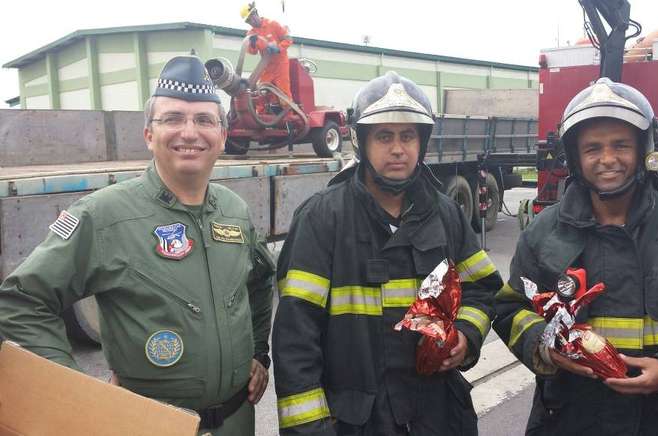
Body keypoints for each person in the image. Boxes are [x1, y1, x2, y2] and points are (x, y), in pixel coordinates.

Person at [0, 55, 276, 436]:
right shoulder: (105, 214)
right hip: (147, 427)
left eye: (204, 120)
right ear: (149, 134)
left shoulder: (234, 210)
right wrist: (80, 393)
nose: (190, 132)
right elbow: (21, 301)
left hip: (236, 422)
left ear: (223, 136)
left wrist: (258, 353)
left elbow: (261, 281)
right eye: (174, 118)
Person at [493, 77, 658, 435]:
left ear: (643, 149)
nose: (608, 159)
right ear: (575, 157)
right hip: (569, 419)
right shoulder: (544, 231)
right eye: (593, 148)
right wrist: (545, 347)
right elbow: (510, 309)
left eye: (620, 145)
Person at [271, 71, 503, 435]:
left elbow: (483, 289)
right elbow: (296, 338)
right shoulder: (322, 218)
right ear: (360, 142)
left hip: (437, 416)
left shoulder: (446, 215)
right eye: (384, 136)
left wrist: (465, 335)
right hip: (358, 421)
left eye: (408, 136)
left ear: (422, 142)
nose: (398, 148)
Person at [241, 2, 294, 101]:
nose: (251, 22)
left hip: (281, 64)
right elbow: (253, 52)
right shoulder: (251, 34)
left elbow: (288, 39)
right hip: (267, 67)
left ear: (256, 13)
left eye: (251, 18)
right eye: (248, 21)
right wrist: (252, 44)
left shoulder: (273, 24)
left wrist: (279, 48)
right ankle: (261, 114)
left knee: (284, 94)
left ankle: (288, 114)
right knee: (261, 93)